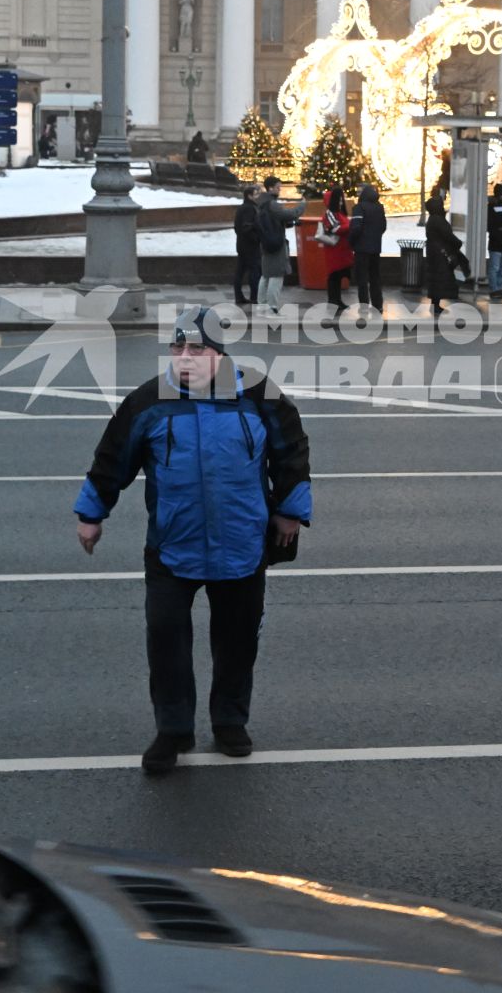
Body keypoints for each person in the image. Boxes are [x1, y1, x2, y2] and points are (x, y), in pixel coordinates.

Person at [74, 307, 312, 775]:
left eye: (196, 348)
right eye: (177, 347)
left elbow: (291, 451)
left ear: (219, 354)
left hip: (242, 545)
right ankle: (173, 730)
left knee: (237, 641)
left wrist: (289, 510)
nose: (185, 357)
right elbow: (112, 457)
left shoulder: (259, 394)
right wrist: (91, 513)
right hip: (172, 546)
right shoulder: (149, 401)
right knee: (166, 640)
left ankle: (229, 722)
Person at [254, 176, 301, 312]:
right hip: (275, 243)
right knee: (276, 275)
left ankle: (261, 304)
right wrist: (302, 206)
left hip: (266, 242)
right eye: (278, 187)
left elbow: (274, 221)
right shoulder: (272, 204)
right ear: (270, 188)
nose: (279, 189)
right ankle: (272, 306)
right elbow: (289, 214)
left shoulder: (262, 202)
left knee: (266, 275)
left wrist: (286, 224)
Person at [423, 193, 466, 314]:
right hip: (440, 253)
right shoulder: (438, 220)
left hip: (435, 252)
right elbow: (448, 235)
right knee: (439, 278)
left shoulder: (434, 218)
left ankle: (435, 304)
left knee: (436, 278)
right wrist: (458, 243)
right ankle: (436, 305)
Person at [348, 184, 387, 311]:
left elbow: (356, 227)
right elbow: (383, 226)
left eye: (360, 191)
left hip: (361, 249)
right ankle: (378, 304)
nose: (358, 193)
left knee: (362, 279)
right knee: (375, 277)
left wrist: (351, 242)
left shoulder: (359, 208)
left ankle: (364, 305)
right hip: (375, 248)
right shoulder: (379, 207)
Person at [320, 187, 353, 314]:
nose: (340, 203)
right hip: (335, 251)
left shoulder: (337, 214)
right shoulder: (330, 214)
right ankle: (333, 302)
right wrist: (350, 225)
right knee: (334, 276)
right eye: (338, 201)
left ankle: (337, 301)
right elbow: (335, 229)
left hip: (340, 250)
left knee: (337, 276)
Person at [232, 186, 262, 306]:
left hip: (242, 245)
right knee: (254, 271)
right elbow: (247, 227)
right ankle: (254, 297)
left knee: (240, 271)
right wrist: (256, 238)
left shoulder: (242, 208)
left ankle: (239, 296)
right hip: (250, 246)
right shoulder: (249, 209)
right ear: (249, 196)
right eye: (256, 194)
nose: (258, 196)